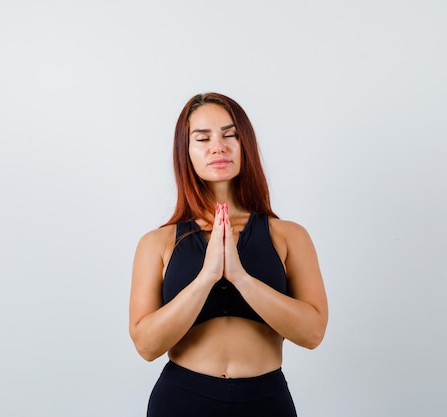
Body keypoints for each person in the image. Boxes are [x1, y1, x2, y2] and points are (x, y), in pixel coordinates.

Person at [129, 92, 328, 417]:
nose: (217, 146)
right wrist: (206, 277)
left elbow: (313, 333)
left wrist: (240, 277)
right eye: (202, 138)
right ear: (186, 151)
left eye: (229, 134)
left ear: (244, 143)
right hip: (182, 401)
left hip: (265, 401)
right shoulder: (157, 243)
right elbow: (147, 346)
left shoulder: (289, 236)